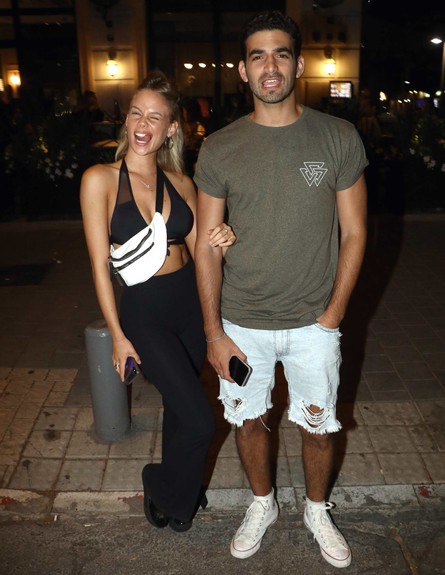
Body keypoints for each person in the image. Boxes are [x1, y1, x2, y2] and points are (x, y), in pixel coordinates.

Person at [194, 10, 367, 568]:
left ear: (298, 63)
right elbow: (205, 246)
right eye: (257, 56)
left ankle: (317, 509)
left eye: (281, 54)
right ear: (243, 70)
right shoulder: (220, 147)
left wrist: (333, 314)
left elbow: (355, 233)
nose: (270, 66)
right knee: (248, 421)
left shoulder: (337, 137)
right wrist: (213, 333)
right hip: (241, 323)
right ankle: (262, 503)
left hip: (314, 323)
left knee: (319, 427)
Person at [80, 71, 236, 532]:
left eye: (154, 117)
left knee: (179, 406)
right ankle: (161, 482)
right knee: (201, 419)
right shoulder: (100, 180)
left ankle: (176, 494)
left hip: (189, 303)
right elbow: (99, 266)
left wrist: (223, 240)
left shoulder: (182, 182)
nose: (142, 124)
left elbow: (203, 249)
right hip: (144, 311)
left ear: (171, 128)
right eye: (135, 113)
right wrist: (118, 336)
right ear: (126, 120)